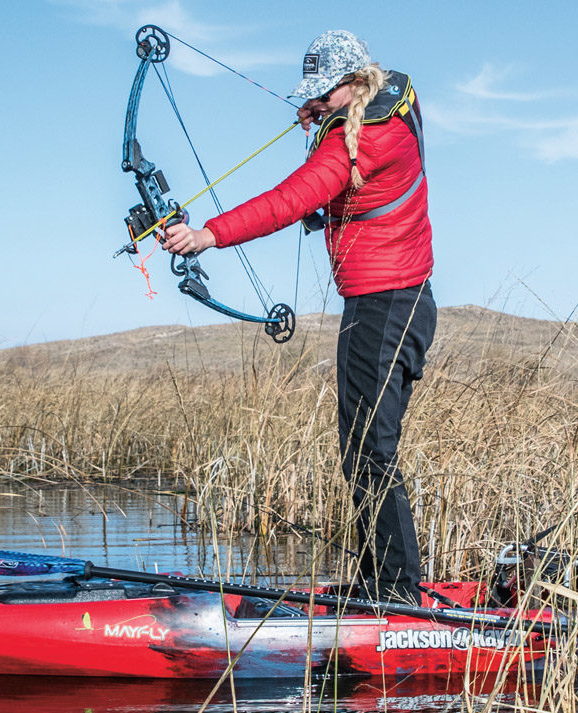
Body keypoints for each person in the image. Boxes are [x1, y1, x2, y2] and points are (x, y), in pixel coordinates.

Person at [162, 30, 436, 604]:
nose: (313, 105)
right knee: (364, 444)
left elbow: (290, 200)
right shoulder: (381, 109)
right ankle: (380, 580)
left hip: (387, 306)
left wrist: (208, 235)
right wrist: (326, 115)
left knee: (369, 448)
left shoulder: (365, 138)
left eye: (322, 93)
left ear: (355, 82)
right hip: (394, 304)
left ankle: (397, 590)